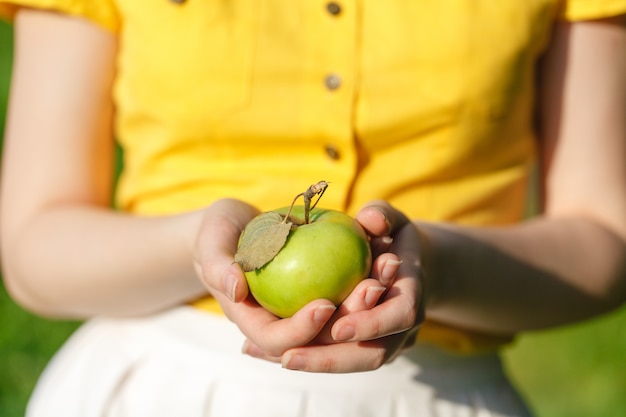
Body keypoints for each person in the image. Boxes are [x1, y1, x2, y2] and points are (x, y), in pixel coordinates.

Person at [0, 1, 624, 416]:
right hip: (162, 392)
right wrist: (203, 246)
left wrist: (436, 265)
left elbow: (606, 240)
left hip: (433, 398)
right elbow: (34, 244)